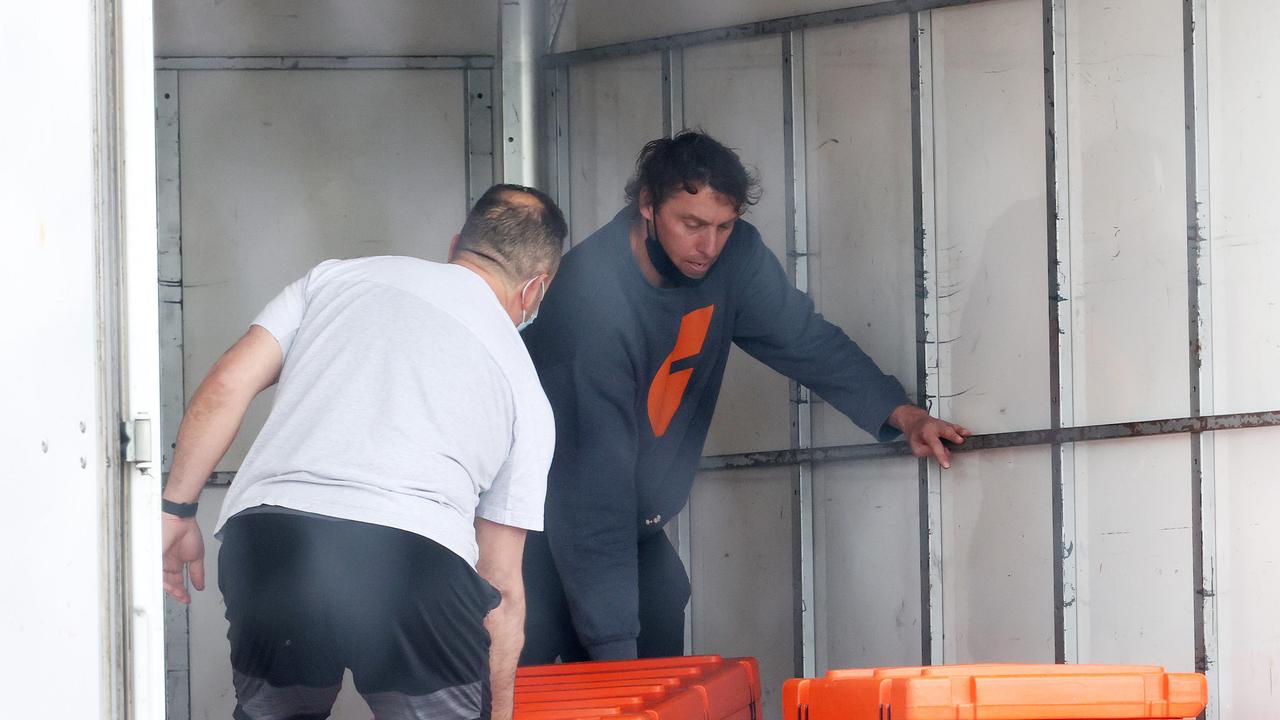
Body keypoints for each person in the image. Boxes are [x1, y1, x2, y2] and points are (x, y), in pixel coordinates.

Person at [518, 131, 971, 664]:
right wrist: (618, 660)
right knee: (567, 670)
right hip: (542, 533)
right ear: (646, 205)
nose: (708, 246)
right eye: (692, 225)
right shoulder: (587, 298)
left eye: (723, 226)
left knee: (661, 604)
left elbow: (804, 339)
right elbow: (593, 490)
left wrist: (903, 413)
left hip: (631, 526)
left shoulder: (734, 259)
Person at [160, 184, 567, 720]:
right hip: (412, 558)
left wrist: (176, 510)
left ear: (455, 246)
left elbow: (226, 384)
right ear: (536, 289)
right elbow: (500, 586)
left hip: (271, 538)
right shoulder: (526, 389)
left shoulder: (334, 278)